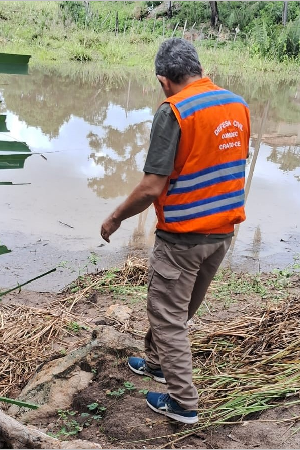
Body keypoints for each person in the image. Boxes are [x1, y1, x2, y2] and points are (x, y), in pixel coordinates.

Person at [100, 38, 250, 424]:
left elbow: (152, 187)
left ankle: (183, 403)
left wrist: (116, 217)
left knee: (167, 313)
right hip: (221, 234)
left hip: (183, 235)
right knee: (176, 308)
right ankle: (156, 363)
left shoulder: (175, 110)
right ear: (198, 69)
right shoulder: (237, 105)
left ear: (164, 80)